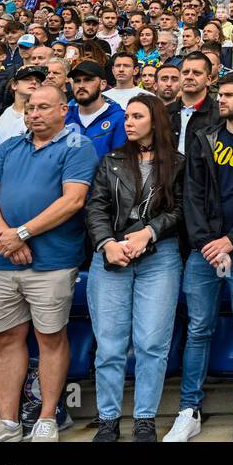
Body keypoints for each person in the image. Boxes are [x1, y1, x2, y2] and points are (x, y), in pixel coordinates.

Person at [0, 84, 99, 442]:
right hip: (4, 260)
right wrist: (6, 236)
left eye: (44, 107)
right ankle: (8, 422)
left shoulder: (78, 146)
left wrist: (22, 233)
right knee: (7, 339)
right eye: (30, 108)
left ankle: (46, 417)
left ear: (64, 110)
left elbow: (73, 201)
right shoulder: (11, 146)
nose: (35, 114)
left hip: (53, 262)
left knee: (50, 338)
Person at [164, 71, 233, 442]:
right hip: (204, 251)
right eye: (219, 94)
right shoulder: (204, 137)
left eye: (227, 94)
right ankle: (188, 410)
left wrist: (232, 240)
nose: (219, 100)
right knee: (199, 329)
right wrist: (210, 242)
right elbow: (191, 195)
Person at [84, 94, 184, 442]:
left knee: (152, 344)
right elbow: (95, 208)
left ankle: (145, 419)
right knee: (109, 346)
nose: (128, 122)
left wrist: (150, 232)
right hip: (111, 255)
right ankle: (108, 420)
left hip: (160, 257)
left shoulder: (178, 163)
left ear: (155, 122)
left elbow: (182, 210)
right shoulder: (109, 160)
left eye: (137, 116)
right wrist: (107, 244)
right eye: (126, 116)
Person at [65, 60, 128, 159]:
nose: (81, 85)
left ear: (103, 84)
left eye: (88, 80)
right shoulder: (65, 116)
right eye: (77, 81)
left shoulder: (119, 119)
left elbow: (120, 161)